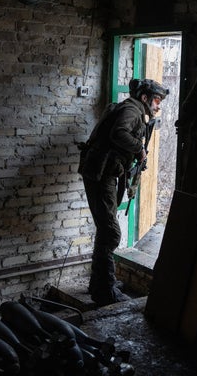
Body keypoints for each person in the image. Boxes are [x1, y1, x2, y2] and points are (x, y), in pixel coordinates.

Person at [78, 78, 170, 306]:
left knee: (105, 229)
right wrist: (139, 149)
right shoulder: (131, 109)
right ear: (145, 98)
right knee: (111, 233)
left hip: (104, 173)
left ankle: (99, 283)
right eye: (156, 100)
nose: (158, 106)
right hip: (101, 175)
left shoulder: (132, 109)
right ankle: (104, 291)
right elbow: (119, 133)